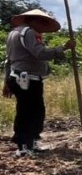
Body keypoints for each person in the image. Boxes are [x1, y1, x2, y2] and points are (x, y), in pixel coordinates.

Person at [3, 9, 75, 156]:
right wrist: (64, 47)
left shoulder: (14, 33)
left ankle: (31, 143)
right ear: (34, 20)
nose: (43, 27)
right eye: (43, 23)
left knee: (32, 111)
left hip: (19, 77)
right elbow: (40, 54)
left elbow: (8, 61)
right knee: (29, 113)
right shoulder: (29, 32)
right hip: (27, 79)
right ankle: (24, 146)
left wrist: (7, 82)